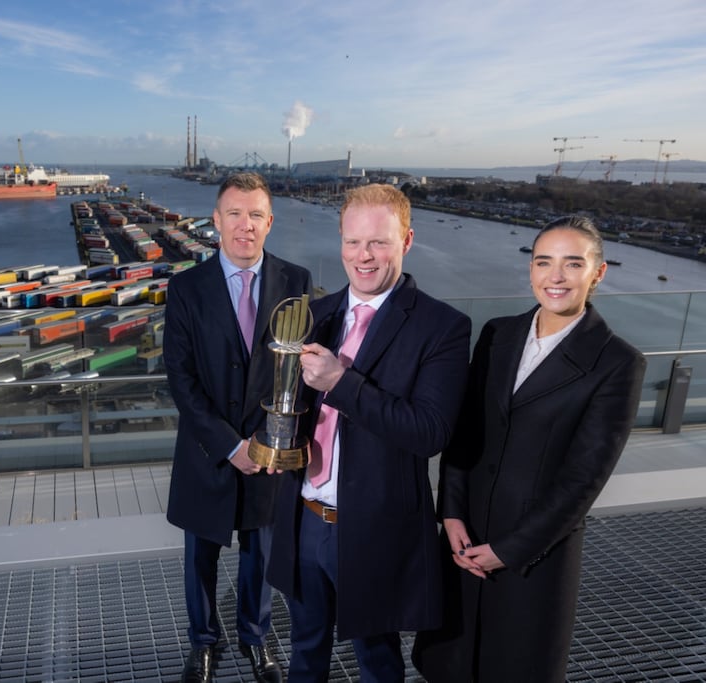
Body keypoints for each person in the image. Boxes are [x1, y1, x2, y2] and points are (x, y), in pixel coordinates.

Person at [411, 216, 647, 682]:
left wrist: (511, 549)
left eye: (572, 264)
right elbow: (466, 430)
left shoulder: (618, 363)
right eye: (544, 262)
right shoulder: (498, 333)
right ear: (531, 268)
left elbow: (583, 481)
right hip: (464, 539)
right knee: (446, 665)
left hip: (533, 559)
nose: (555, 276)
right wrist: (452, 513)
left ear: (597, 274)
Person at [267, 184, 472, 682]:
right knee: (304, 652)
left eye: (379, 242)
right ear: (339, 240)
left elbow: (429, 432)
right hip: (303, 516)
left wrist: (342, 383)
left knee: (377, 663)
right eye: (353, 241)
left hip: (374, 528)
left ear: (407, 240)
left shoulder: (442, 327)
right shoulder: (316, 313)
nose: (364, 256)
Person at [165, 172, 313, 683]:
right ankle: (203, 644)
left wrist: (271, 442)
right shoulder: (185, 287)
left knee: (261, 557)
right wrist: (231, 445)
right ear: (216, 220)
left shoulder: (297, 281)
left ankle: (255, 638)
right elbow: (180, 378)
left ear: (269, 222)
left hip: (269, 452)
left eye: (255, 215)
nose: (244, 226)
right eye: (234, 214)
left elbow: (299, 370)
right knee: (199, 559)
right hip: (210, 451)